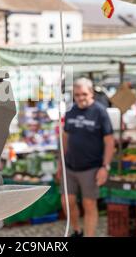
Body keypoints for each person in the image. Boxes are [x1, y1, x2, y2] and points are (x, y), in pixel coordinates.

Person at [57, 78, 115, 237]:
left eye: (84, 94)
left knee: (89, 204)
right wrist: (60, 163)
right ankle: (77, 230)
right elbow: (65, 137)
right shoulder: (71, 111)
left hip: (91, 167)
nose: (81, 97)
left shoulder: (100, 112)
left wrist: (105, 167)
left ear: (91, 94)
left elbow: (110, 142)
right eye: (77, 95)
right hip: (70, 166)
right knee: (66, 202)